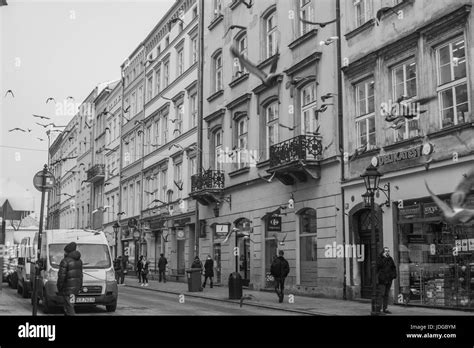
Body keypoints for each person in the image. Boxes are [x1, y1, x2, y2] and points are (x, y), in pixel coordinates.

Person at [57, 242, 83, 316]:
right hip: (75, 288)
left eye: (65, 251)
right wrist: (80, 286)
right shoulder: (79, 261)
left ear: (67, 251)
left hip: (67, 289)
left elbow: (61, 276)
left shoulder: (65, 261)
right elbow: (81, 275)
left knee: (69, 308)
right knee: (69, 306)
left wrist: (59, 287)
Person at [376, 247, 397, 314]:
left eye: (388, 251)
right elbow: (379, 266)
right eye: (386, 251)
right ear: (383, 252)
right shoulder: (380, 258)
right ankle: (379, 309)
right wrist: (384, 258)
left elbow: (393, 267)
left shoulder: (390, 259)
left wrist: (393, 275)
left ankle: (385, 308)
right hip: (382, 279)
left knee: (386, 294)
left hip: (389, 279)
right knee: (381, 294)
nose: (387, 252)